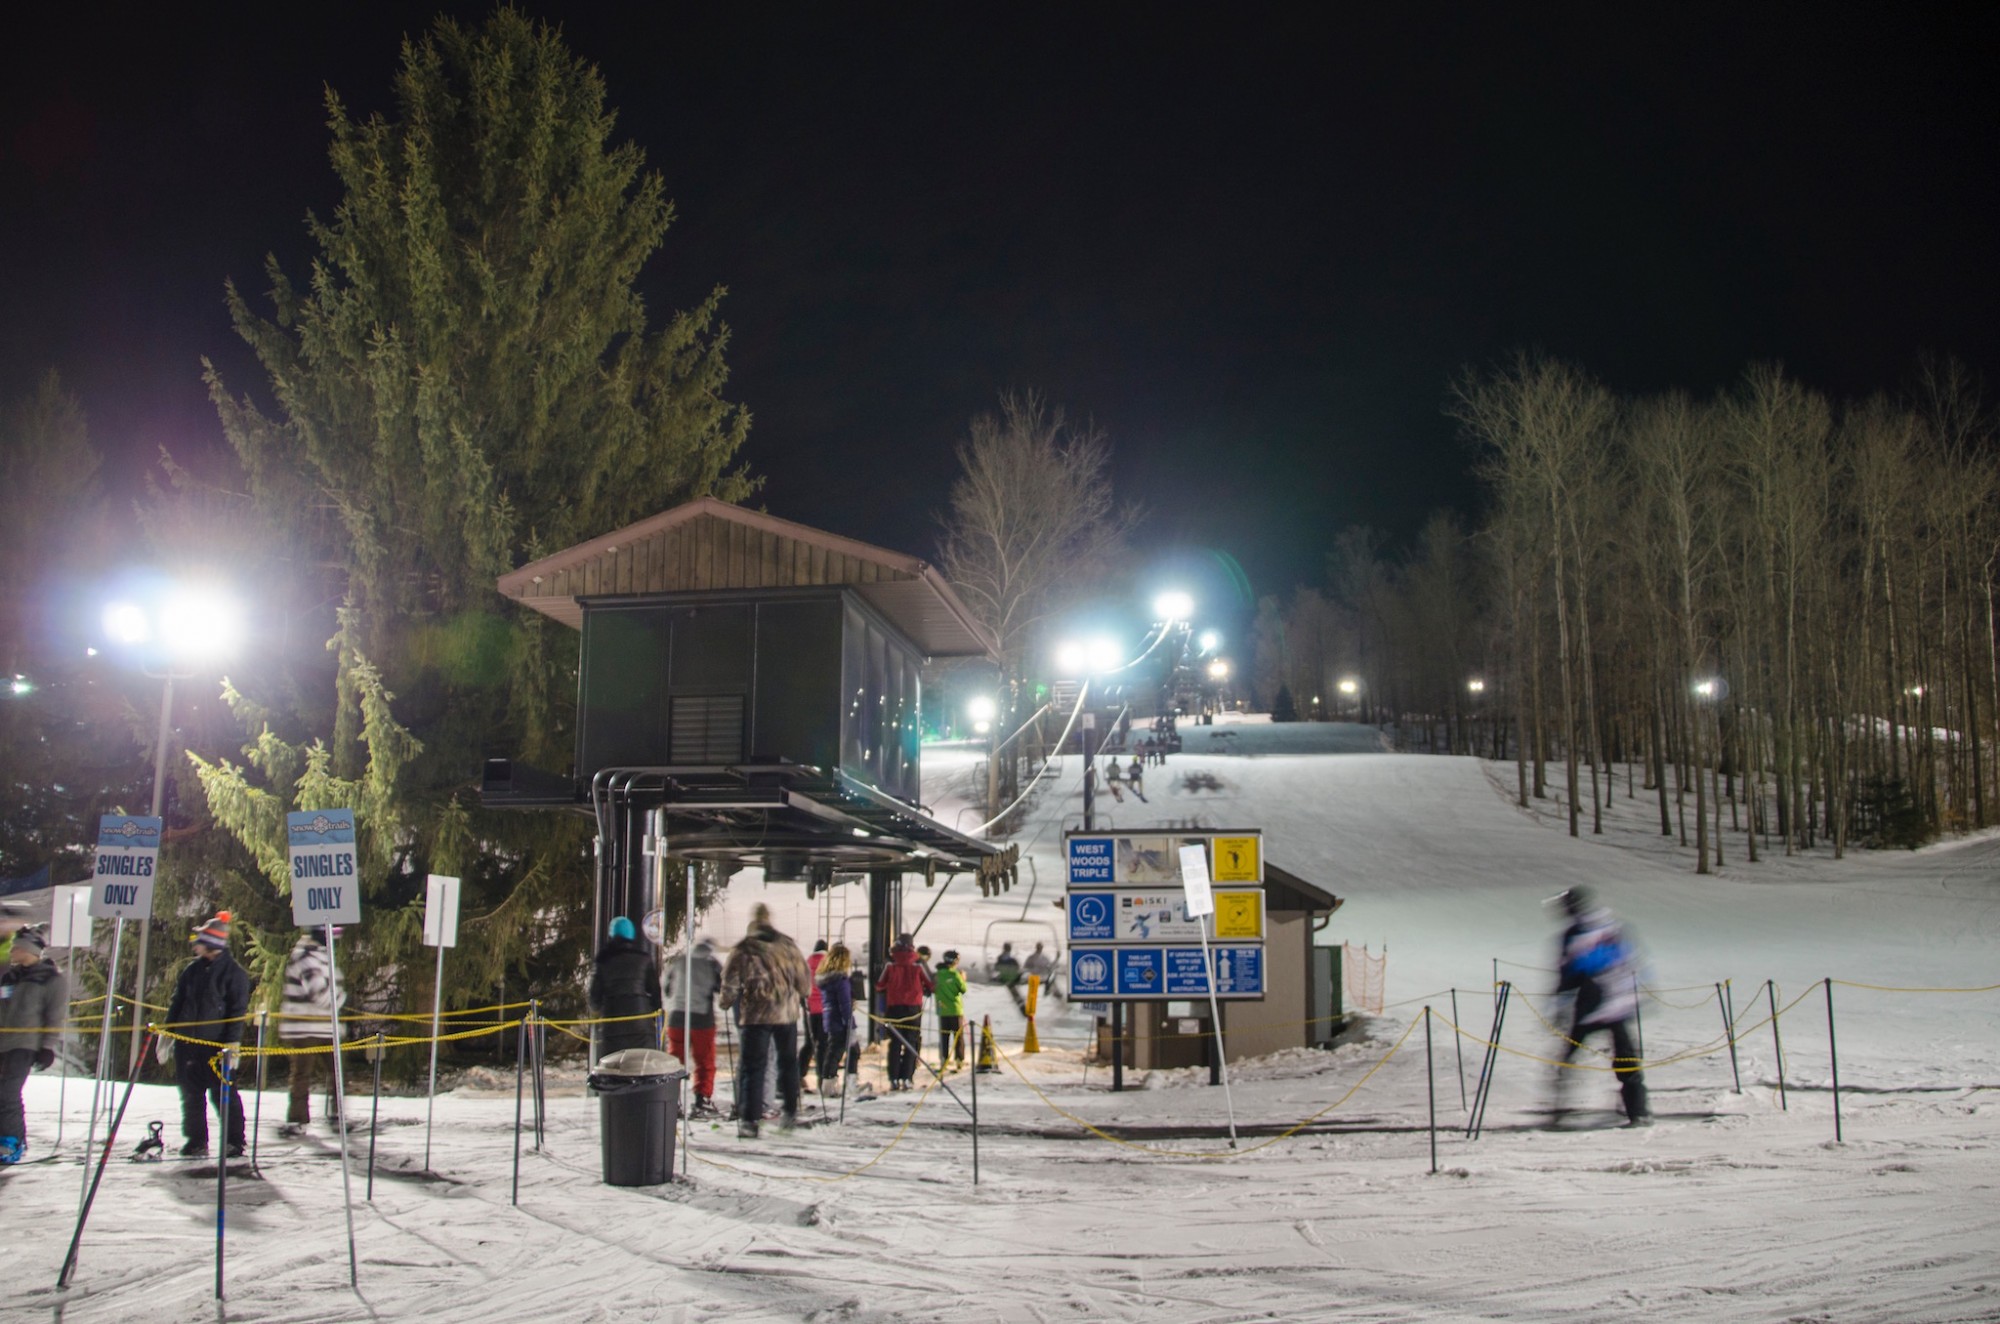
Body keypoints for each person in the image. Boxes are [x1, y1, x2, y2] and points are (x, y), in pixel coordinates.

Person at [1549, 887, 1651, 1128]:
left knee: (1569, 1058)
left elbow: (1570, 971)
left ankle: (1560, 1109)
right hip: (1616, 1002)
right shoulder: (1613, 926)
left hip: (1596, 1004)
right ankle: (1638, 1111)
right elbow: (1633, 961)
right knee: (1626, 1058)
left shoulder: (1577, 934)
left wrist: (1560, 1003)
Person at [718, 904, 812, 1137]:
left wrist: (726, 1002)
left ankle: (750, 1121)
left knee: (753, 1066)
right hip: (786, 1013)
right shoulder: (788, 946)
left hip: (755, 1015)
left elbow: (729, 981)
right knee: (788, 1062)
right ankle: (790, 1112)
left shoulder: (743, 949)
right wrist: (799, 993)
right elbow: (804, 983)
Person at [164, 911, 251, 1157]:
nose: (195, 945)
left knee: (223, 1095)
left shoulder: (234, 975)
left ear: (211, 944)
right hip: (188, 1045)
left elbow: (236, 1012)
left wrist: (232, 1043)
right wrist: (168, 1032)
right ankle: (196, 1140)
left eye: (200, 940)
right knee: (191, 1096)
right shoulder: (192, 971)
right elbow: (177, 1002)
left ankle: (234, 1140)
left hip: (216, 1047)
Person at [0, 927, 67, 1164]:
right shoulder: (10, 977)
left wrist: (47, 1046)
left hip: (25, 1044)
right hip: (3, 1043)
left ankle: (11, 1141)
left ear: (29, 950)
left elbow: (55, 1016)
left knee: (8, 1092)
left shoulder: (51, 979)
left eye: (16, 947)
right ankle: (13, 1137)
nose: (12, 951)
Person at [278, 928, 343, 1135]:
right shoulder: (307, 958)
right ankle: (297, 1119)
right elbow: (320, 994)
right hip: (306, 1027)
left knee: (336, 1072)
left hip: (322, 1026)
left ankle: (336, 1116)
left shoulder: (318, 956)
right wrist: (341, 997)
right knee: (303, 1074)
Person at [664, 937, 723, 1116]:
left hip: (677, 1015)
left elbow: (667, 988)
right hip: (702, 1017)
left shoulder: (678, 961)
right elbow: (721, 987)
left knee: (674, 1060)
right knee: (704, 1060)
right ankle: (701, 1099)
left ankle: (671, 1099)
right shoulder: (712, 964)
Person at [589, 916, 661, 1058]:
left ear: (612, 934)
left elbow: (594, 997)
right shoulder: (643, 959)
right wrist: (653, 1013)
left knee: (613, 1064)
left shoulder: (603, 960)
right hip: (641, 1021)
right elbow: (655, 993)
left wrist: (597, 1012)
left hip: (613, 1022)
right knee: (640, 1063)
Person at [875, 934, 933, 1090]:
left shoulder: (890, 962)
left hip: (894, 1007)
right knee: (911, 1042)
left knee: (895, 1043)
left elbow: (879, 985)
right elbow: (931, 984)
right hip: (913, 1008)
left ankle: (893, 1078)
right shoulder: (918, 962)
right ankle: (907, 1077)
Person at [816, 943, 856, 1091]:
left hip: (830, 1016)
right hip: (840, 1020)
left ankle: (828, 1081)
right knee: (844, 1050)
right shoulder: (841, 981)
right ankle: (842, 1082)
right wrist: (850, 1023)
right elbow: (845, 1004)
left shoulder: (826, 979)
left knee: (833, 1050)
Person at [933, 950, 968, 1071]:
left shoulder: (938, 975)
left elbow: (933, 987)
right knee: (958, 1037)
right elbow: (963, 989)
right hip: (956, 1010)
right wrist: (963, 978)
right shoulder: (955, 975)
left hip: (942, 1010)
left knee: (944, 1037)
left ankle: (944, 1059)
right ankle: (959, 1059)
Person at [803, 939, 828, 1094]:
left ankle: (800, 1072)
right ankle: (822, 1075)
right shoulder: (828, 963)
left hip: (811, 1010)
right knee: (824, 1045)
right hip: (826, 1010)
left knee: (810, 1043)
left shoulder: (807, 963)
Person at [994, 942, 1025, 1010]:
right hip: (1010, 978)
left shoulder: (999, 958)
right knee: (1013, 987)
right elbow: (1018, 968)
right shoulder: (1012, 960)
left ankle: (1020, 1002)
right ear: (1010, 949)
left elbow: (996, 968)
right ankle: (1021, 1003)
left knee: (1013, 988)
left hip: (1005, 977)